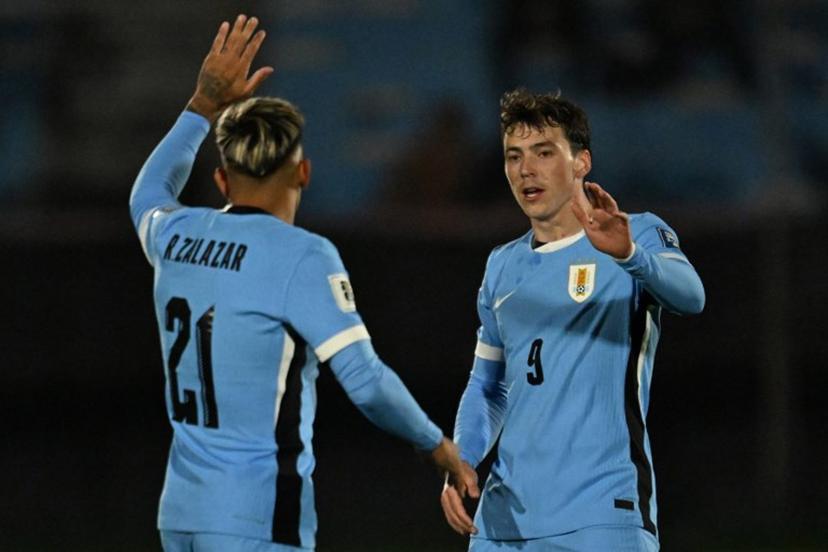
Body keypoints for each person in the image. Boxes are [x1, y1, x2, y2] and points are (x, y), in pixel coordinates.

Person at [129, 15, 475, 552]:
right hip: (256, 512)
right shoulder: (302, 256)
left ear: (222, 179)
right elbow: (364, 379)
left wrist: (201, 106)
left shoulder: (175, 235)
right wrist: (437, 445)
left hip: (181, 513)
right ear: (304, 173)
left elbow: (148, 193)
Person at [440, 89, 705, 551]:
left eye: (544, 153)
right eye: (514, 156)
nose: (526, 170)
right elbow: (487, 385)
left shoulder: (634, 232)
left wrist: (630, 256)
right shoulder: (502, 266)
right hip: (504, 525)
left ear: (581, 162)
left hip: (602, 514)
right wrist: (463, 460)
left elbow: (692, 296)